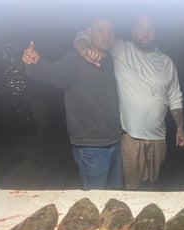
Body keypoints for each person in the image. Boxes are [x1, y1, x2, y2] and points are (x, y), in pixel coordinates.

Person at [74, 14, 184, 190]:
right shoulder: (121, 49)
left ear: (155, 33)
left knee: (154, 186)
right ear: (133, 32)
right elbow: (82, 34)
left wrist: (180, 128)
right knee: (131, 188)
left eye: (150, 28)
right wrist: (84, 50)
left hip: (158, 136)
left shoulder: (167, 62)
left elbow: (175, 97)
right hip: (129, 136)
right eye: (141, 28)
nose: (145, 32)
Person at [22, 16, 123, 190]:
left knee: (116, 193)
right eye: (100, 30)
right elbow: (49, 73)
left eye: (110, 32)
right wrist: (34, 62)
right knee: (96, 197)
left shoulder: (110, 61)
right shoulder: (74, 60)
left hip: (114, 140)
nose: (106, 36)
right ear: (89, 33)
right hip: (92, 146)